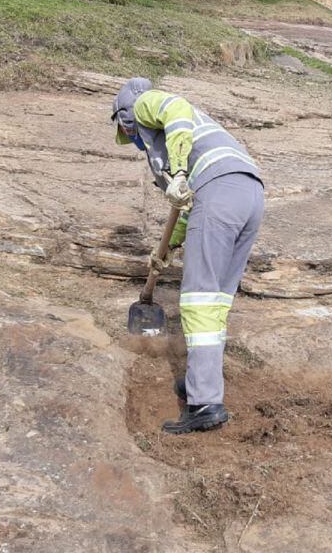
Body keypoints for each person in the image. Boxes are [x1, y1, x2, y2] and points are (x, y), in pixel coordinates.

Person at [111, 78, 265, 435]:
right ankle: (201, 379)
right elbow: (188, 207)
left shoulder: (142, 103)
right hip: (250, 193)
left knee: (198, 301)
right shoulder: (197, 134)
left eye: (125, 131)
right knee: (217, 301)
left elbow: (175, 109)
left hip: (219, 191)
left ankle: (205, 404)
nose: (131, 139)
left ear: (124, 116)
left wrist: (178, 170)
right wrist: (166, 249)